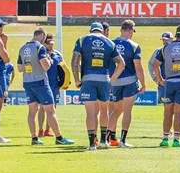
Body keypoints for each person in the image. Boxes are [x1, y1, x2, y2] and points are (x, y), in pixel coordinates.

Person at [71, 21, 125, 151]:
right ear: (102, 31)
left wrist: (77, 79)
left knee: (90, 112)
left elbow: (74, 62)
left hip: (88, 78)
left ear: (90, 30)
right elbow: (121, 64)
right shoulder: (110, 43)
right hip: (104, 79)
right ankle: (103, 141)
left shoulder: (82, 40)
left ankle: (91, 144)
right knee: (104, 110)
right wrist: (111, 80)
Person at [107, 20, 147, 147]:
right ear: (130, 30)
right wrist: (143, 84)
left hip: (115, 81)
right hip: (129, 80)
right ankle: (123, 141)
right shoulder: (134, 46)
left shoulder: (110, 43)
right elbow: (138, 68)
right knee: (127, 111)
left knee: (116, 110)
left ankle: (106, 139)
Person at [18, 28, 60, 146]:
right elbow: (45, 66)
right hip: (40, 82)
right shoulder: (40, 48)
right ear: (41, 35)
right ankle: (59, 137)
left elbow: (20, 68)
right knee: (50, 110)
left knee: (32, 112)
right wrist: (49, 61)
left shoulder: (22, 48)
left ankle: (34, 138)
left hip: (27, 82)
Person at [38, 33, 75, 144]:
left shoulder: (57, 54)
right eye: (48, 44)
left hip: (54, 85)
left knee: (52, 108)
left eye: (51, 44)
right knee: (42, 107)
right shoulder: (40, 54)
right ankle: (40, 130)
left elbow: (63, 69)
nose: (50, 46)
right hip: (43, 83)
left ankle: (47, 130)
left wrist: (66, 81)